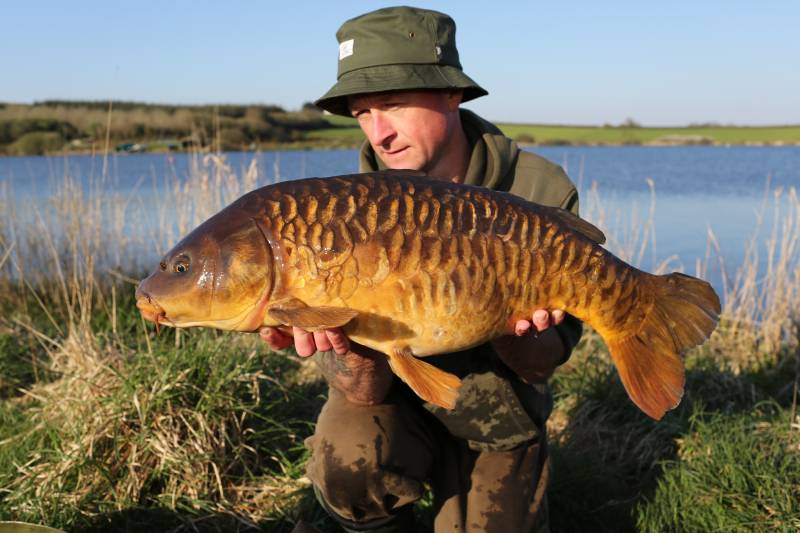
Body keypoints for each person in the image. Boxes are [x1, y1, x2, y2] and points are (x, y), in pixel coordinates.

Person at [261, 6, 583, 532]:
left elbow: (543, 363)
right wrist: (343, 345)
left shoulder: (536, 192)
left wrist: (509, 326)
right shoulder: (333, 217)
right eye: (363, 113)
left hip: (498, 415)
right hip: (395, 404)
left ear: (451, 94)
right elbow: (362, 394)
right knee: (348, 456)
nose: (378, 133)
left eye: (391, 104)